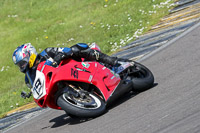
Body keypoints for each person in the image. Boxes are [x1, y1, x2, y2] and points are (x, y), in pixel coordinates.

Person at [12, 43, 119, 91]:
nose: (22, 66)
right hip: (62, 81)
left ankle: (113, 62)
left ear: (30, 54)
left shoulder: (47, 52)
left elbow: (66, 50)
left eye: (22, 62)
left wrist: (58, 58)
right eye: (20, 65)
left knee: (76, 48)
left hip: (75, 66)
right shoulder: (29, 75)